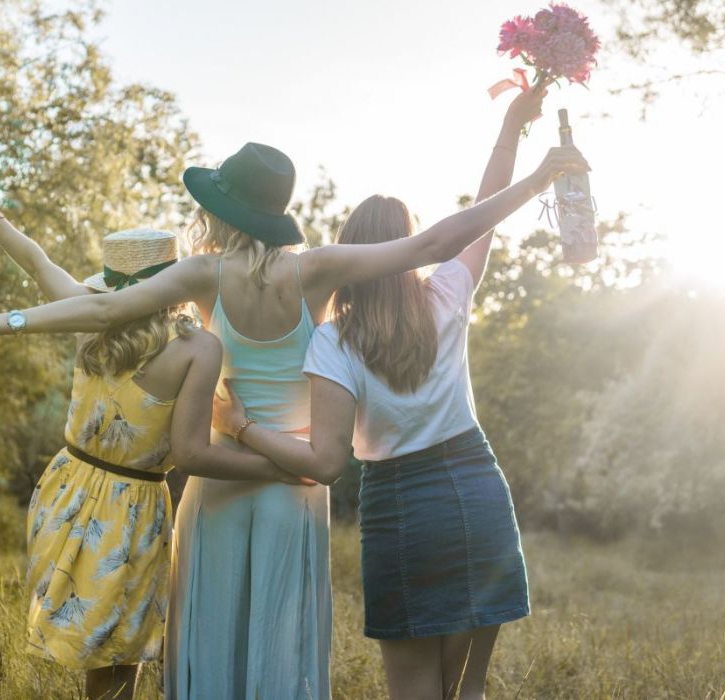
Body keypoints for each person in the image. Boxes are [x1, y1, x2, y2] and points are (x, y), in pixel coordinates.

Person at [0, 86, 585, 699]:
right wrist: (535, 180)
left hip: (217, 488)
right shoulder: (318, 269)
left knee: (213, 644)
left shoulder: (202, 274)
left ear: (220, 210)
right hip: (294, 488)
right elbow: (442, 240)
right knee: (279, 649)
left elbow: (104, 310)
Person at [209, 90, 555, 699]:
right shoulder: (449, 292)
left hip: (401, 510)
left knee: (415, 691)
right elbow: (484, 212)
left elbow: (325, 463)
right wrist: (511, 128)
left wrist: (242, 428)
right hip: (477, 489)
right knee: (466, 691)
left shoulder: (333, 341)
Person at [0, 225, 304, 700]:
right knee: (116, 661)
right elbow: (191, 454)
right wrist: (272, 468)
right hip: (128, 508)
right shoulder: (196, 348)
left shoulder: (90, 319)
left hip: (65, 489)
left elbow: (37, 262)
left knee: (98, 649)